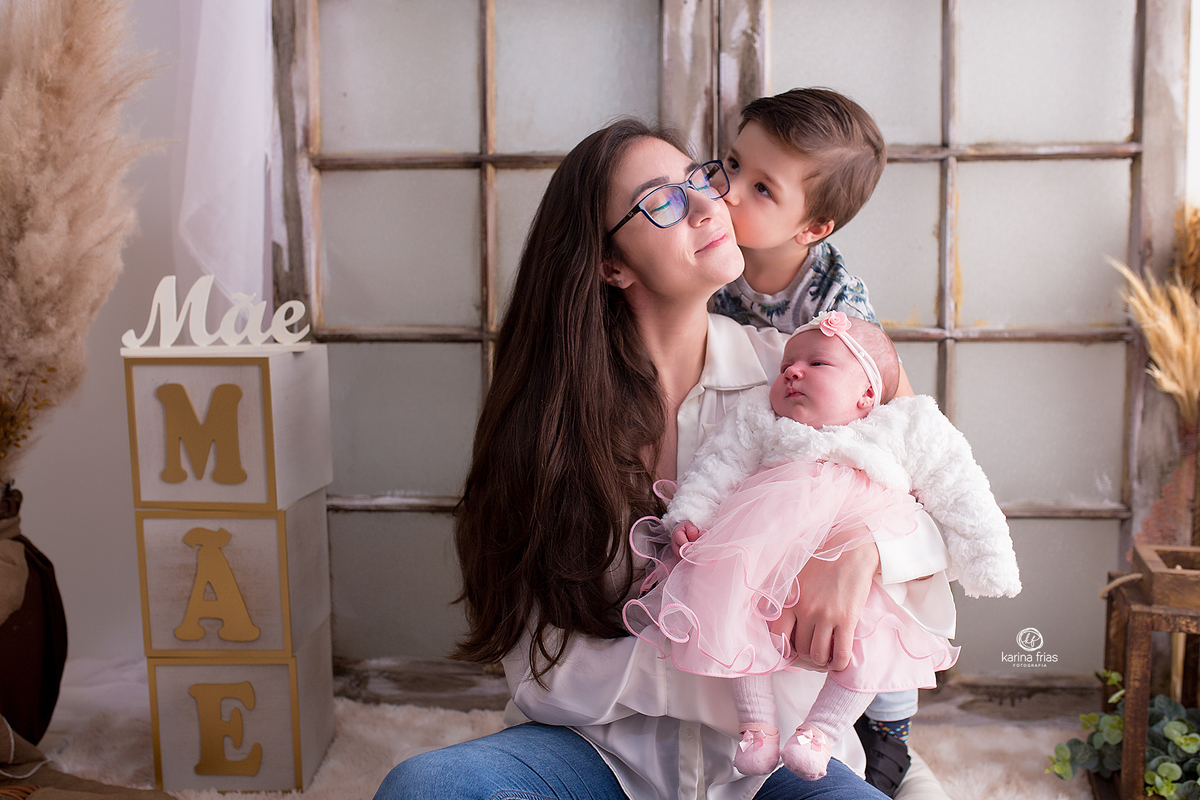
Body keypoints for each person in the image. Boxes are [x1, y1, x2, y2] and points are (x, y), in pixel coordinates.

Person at [373, 120, 955, 800]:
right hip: (586, 753)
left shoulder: (801, 377)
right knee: (424, 789)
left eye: (699, 179)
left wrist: (862, 551)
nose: (711, 204)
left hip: (779, 768)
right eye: (663, 201)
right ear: (610, 263)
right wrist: (739, 664)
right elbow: (548, 676)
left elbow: (938, 537)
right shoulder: (550, 421)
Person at [625, 312, 1021, 783]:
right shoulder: (761, 416)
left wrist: (988, 557)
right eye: (787, 365)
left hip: (864, 540)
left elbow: (960, 485)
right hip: (763, 536)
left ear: (867, 395)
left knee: (874, 635)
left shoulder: (904, 426)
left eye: (817, 363)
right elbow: (718, 463)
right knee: (728, 600)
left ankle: (821, 731)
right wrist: (690, 514)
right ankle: (756, 725)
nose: (792, 371)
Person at [708, 87, 915, 785]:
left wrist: (862, 538)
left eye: (762, 187)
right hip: (764, 464)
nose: (729, 192)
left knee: (878, 603)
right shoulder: (712, 265)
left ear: (813, 229)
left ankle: (888, 720)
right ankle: (760, 714)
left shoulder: (835, 303)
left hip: (842, 471)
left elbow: (900, 417)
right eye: (732, 164)